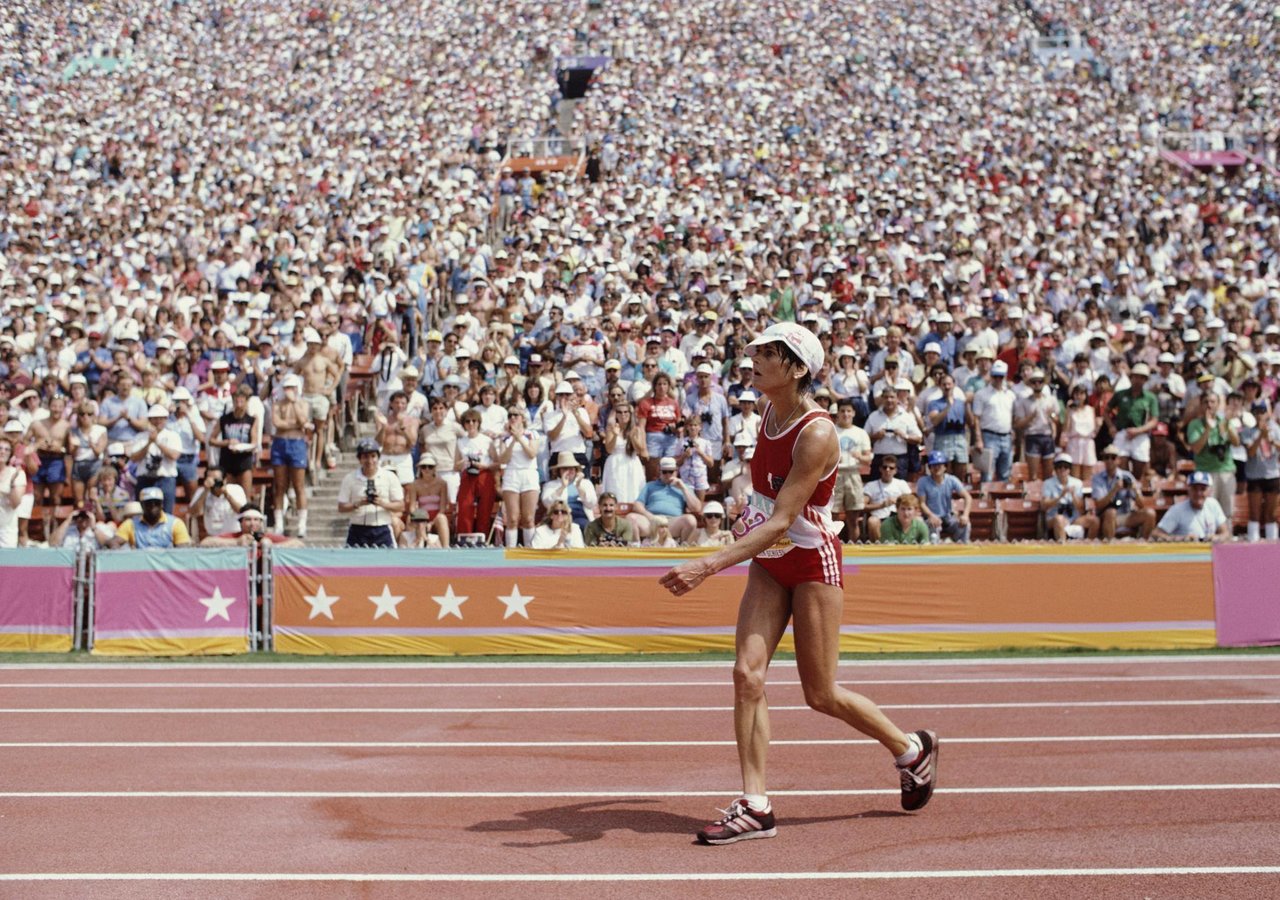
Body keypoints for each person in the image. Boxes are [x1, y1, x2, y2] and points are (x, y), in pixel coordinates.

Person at [659, 322, 936, 846]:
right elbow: (765, 504)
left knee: (821, 693)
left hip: (809, 563)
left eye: (769, 353)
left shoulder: (816, 432)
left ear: (799, 368)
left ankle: (911, 750)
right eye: (756, 350)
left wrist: (707, 564)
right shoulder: (767, 410)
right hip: (769, 559)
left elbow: (785, 520)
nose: (756, 359)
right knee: (747, 674)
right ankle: (755, 804)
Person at [337, 439, 405, 547]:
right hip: (357, 529)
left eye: (373, 456)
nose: (369, 461)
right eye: (365, 457)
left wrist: (382, 503)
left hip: (382, 529)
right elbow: (341, 507)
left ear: (378, 457)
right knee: (352, 563)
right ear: (359, 459)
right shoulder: (350, 478)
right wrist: (359, 503)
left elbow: (401, 506)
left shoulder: (389, 477)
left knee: (388, 563)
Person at [270, 374, 312, 537]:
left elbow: (303, 420)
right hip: (280, 443)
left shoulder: (302, 403)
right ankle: (279, 523)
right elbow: (277, 423)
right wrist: (294, 425)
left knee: (299, 485)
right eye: (286, 388)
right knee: (280, 486)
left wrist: (294, 403)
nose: (289, 391)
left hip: (297, 444)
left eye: (292, 388)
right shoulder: (277, 404)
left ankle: (302, 524)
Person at [628, 456, 703, 543]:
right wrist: (651, 517)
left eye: (671, 472)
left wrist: (683, 488)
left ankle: (681, 549)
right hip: (651, 521)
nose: (668, 475)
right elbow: (637, 505)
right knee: (631, 518)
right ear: (659, 472)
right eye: (664, 472)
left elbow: (697, 508)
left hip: (672, 522)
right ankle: (637, 547)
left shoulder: (684, 487)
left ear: (676, 472)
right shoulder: (650, 485)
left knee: (690, 520)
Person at [1091, 445, 1156, 540]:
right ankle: (1110, 546)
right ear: (1103, 460)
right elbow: (1099, 505)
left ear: (1118, 460)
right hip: (1106, 517)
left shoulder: (1127, 476)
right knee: (1111, 512)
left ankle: (1143, 544)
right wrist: (1114, 490)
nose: (1109, 460)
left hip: (1126, 515)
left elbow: (1141, 505)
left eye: (1113, 457)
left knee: (1150, 513)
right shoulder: (1098, 478)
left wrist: (1135, 490)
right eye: (1106, 457)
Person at [830, 398, 872, 542]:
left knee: (853, 516)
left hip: (853, 473)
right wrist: (833, 458)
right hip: (835, 474)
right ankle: (832, 545)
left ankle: (854, 546)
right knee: (832, 515)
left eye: (848, 411)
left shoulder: (861, 433)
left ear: (853, 413)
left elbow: (868, 458)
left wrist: (860, 456)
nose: (846, 414)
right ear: (838, 413)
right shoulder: (831, 430)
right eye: (842, 411)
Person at [454, 409, 498, 540]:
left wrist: (485, 466)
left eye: (474, 421)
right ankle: (464, 539)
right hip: (467, 474)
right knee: (465, 507)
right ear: (464, 424)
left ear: (479, 423)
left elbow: (497, 462)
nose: (471, 424)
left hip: (484, 474)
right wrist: (464, 462)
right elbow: (455, 466)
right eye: (467, 421)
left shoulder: (487, 440)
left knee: (484, 510)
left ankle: (482, 538)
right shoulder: (460, 442)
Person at [1153, 471, 1231, 542]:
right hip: (1185, 553)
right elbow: (1156, 534)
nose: (1198, 493)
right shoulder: (1177, 510)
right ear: (1188, 490)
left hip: (1209, 551)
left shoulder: (1213, 504)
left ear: (1209, 491)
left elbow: (1226, 533)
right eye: (1194, 489)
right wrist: (1180, 539)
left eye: (1203, 489)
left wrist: (1217, 538)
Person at [1241, 401, 1280, 542]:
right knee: (1254, 512)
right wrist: (1260, 437)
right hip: (1254, 475)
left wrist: (1272, 441)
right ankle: (1253, 541)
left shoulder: (1276, 429)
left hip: (1272, 474)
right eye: (1256, 412)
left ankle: (1272, 542)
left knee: (1271, 513)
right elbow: (1250, 452)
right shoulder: (1247, 431)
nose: (1259, 415)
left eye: (1262, 412)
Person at [1041, 453, 1100, 543]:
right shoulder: (1048, 483)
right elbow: (1044, 506)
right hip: (1055, 518)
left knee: (1094, 521)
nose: (1062, 469)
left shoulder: (1077, 483)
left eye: (1066, 467)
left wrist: (1073, 496)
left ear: (1069, 469)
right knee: (1059, 519)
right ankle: (1063, 549)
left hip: (1074, 518)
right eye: (1059, 466)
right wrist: (1060, 496)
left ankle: (1088, 549)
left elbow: (1081, 509)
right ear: (1055, 468)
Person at [916, 451, 973, 543]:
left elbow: (967, 497)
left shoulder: (952, 480)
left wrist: (965, 515)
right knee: (933, 528)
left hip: (948, 517)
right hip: (931, 517)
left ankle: (961, 547)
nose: (936, 467)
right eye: (933, 465)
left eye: (939, 465)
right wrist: (931, 515)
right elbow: (922, 503)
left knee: (965, 525)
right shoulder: (923, 481)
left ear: (945, 466)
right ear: (929, 467)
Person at [111, 486, 192, 549]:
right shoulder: (131, 524)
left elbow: (183, 550)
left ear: (162, 504)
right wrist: (115, 547)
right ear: (142, 505)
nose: (153, 506)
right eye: (148, 503)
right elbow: (115, 541)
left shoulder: (175, 524)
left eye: (156, 503)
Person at [540, 451, 599, 533]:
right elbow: (547, 503)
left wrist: (579, 487)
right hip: (559, 516)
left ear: (576, 470)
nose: (568, 471)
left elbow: (591, 503)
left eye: (571, 469)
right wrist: (562, 487)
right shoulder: (550, 485)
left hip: (580, 516)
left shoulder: (585, 483)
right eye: (565, 469)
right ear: (559, 471)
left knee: (584, 525)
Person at [200, 504, 303, 548]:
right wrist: (236, 542)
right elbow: (205, 542)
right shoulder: (235, 536)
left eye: (256, 520)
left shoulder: (266, 536)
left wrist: (272, 546)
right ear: (241, 522)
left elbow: (298, 543)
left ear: (261, 522)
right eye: (248, 520)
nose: (252, 523)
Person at [862, 455, 912, 543]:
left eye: (891, 468)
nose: (887, 470)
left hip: (898, 516)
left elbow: (912, 502)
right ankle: (879, 549)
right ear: (880, 469)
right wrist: (881, 505)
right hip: (879, 517)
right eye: (885, 467)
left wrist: (898, 501)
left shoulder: (901, 484)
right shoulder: (871, 485)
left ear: (895, 470)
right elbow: (862, 506)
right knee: (872, 521)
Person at [405, 457, 451, 548]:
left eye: (430, 467)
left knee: (442, 518)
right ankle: (411, 546)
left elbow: (442, 508)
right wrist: (420, 519)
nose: (427, 469)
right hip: (421, 515)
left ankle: (446, 547)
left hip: (436, 515)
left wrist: (431, 523)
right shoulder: (414, 484)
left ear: (434, 469)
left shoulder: (442, 483)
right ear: (420, 469)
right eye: (424, 467)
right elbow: (412, 507)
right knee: (410, 518)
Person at [0, 436, 27, 548]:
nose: (2, 452)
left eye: (7, 449)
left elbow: (15, 503)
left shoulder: (17, 474)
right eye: (0, 448)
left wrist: (11, 483)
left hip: (6, 530)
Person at [50, 506, 115, 551]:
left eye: (86, 516)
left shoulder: (100, 528)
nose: (83, 519)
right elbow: (53, 544)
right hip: (70, 564)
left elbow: (109, 546)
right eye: (80, 516)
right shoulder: (67, 529)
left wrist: (94, 528)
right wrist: (67, 521)